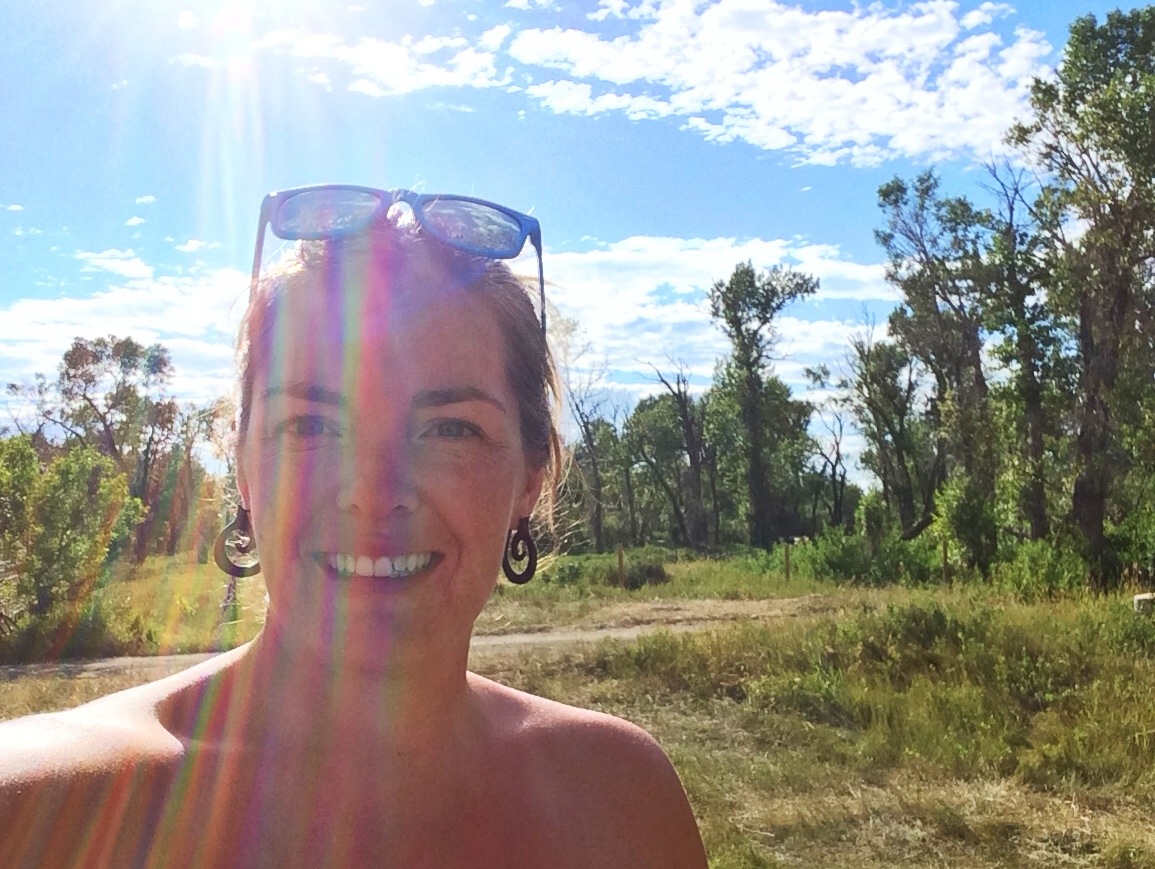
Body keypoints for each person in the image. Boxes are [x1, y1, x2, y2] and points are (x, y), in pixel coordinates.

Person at [0, 184, 709, 868]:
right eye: (310, 426)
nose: (373, 495)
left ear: (531, 475)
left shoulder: (620, 800)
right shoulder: (39, 813)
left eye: (449, 428)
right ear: (242, 468)